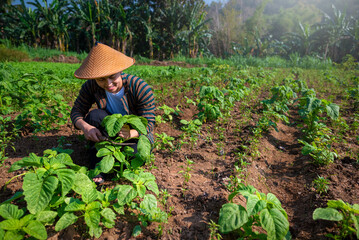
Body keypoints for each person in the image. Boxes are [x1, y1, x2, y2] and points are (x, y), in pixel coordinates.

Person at [70, 42, 155, 183]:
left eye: (112, 77)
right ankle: (98, 166)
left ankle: (111, 153)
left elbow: (149, 123)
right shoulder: (91, 86)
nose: (108, 83)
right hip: (108, 130)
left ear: (120, 71)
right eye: (101, 79)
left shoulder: (140, 88)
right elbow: (76, 112)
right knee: (94, 116)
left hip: (134, 133)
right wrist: (86, 127)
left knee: (136, 155)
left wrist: (131, 134)